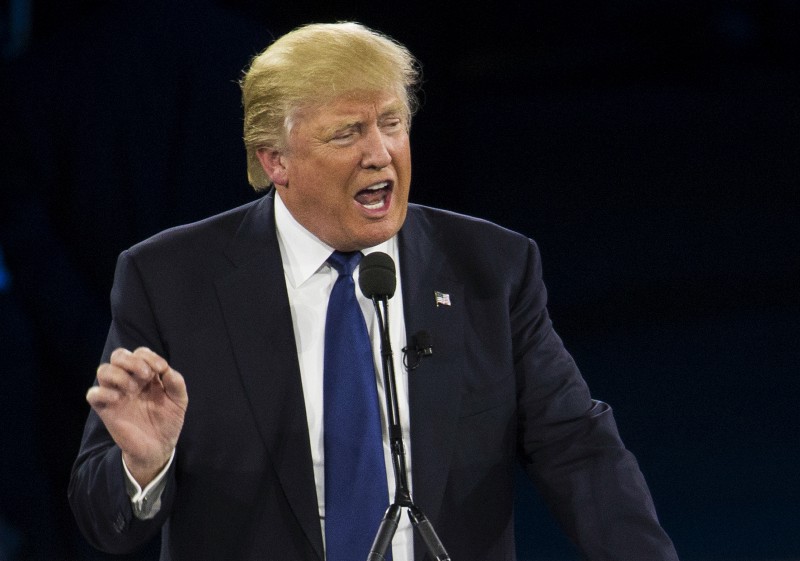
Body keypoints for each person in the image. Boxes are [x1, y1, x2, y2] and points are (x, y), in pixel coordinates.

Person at [69, 21, 679, 561]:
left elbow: (577, 448)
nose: (380, 153)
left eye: (392, 124)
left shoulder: (490, 268)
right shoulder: (172, 281)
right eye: (347, 134)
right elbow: (104, 523)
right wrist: (143, 468)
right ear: (275, 160)